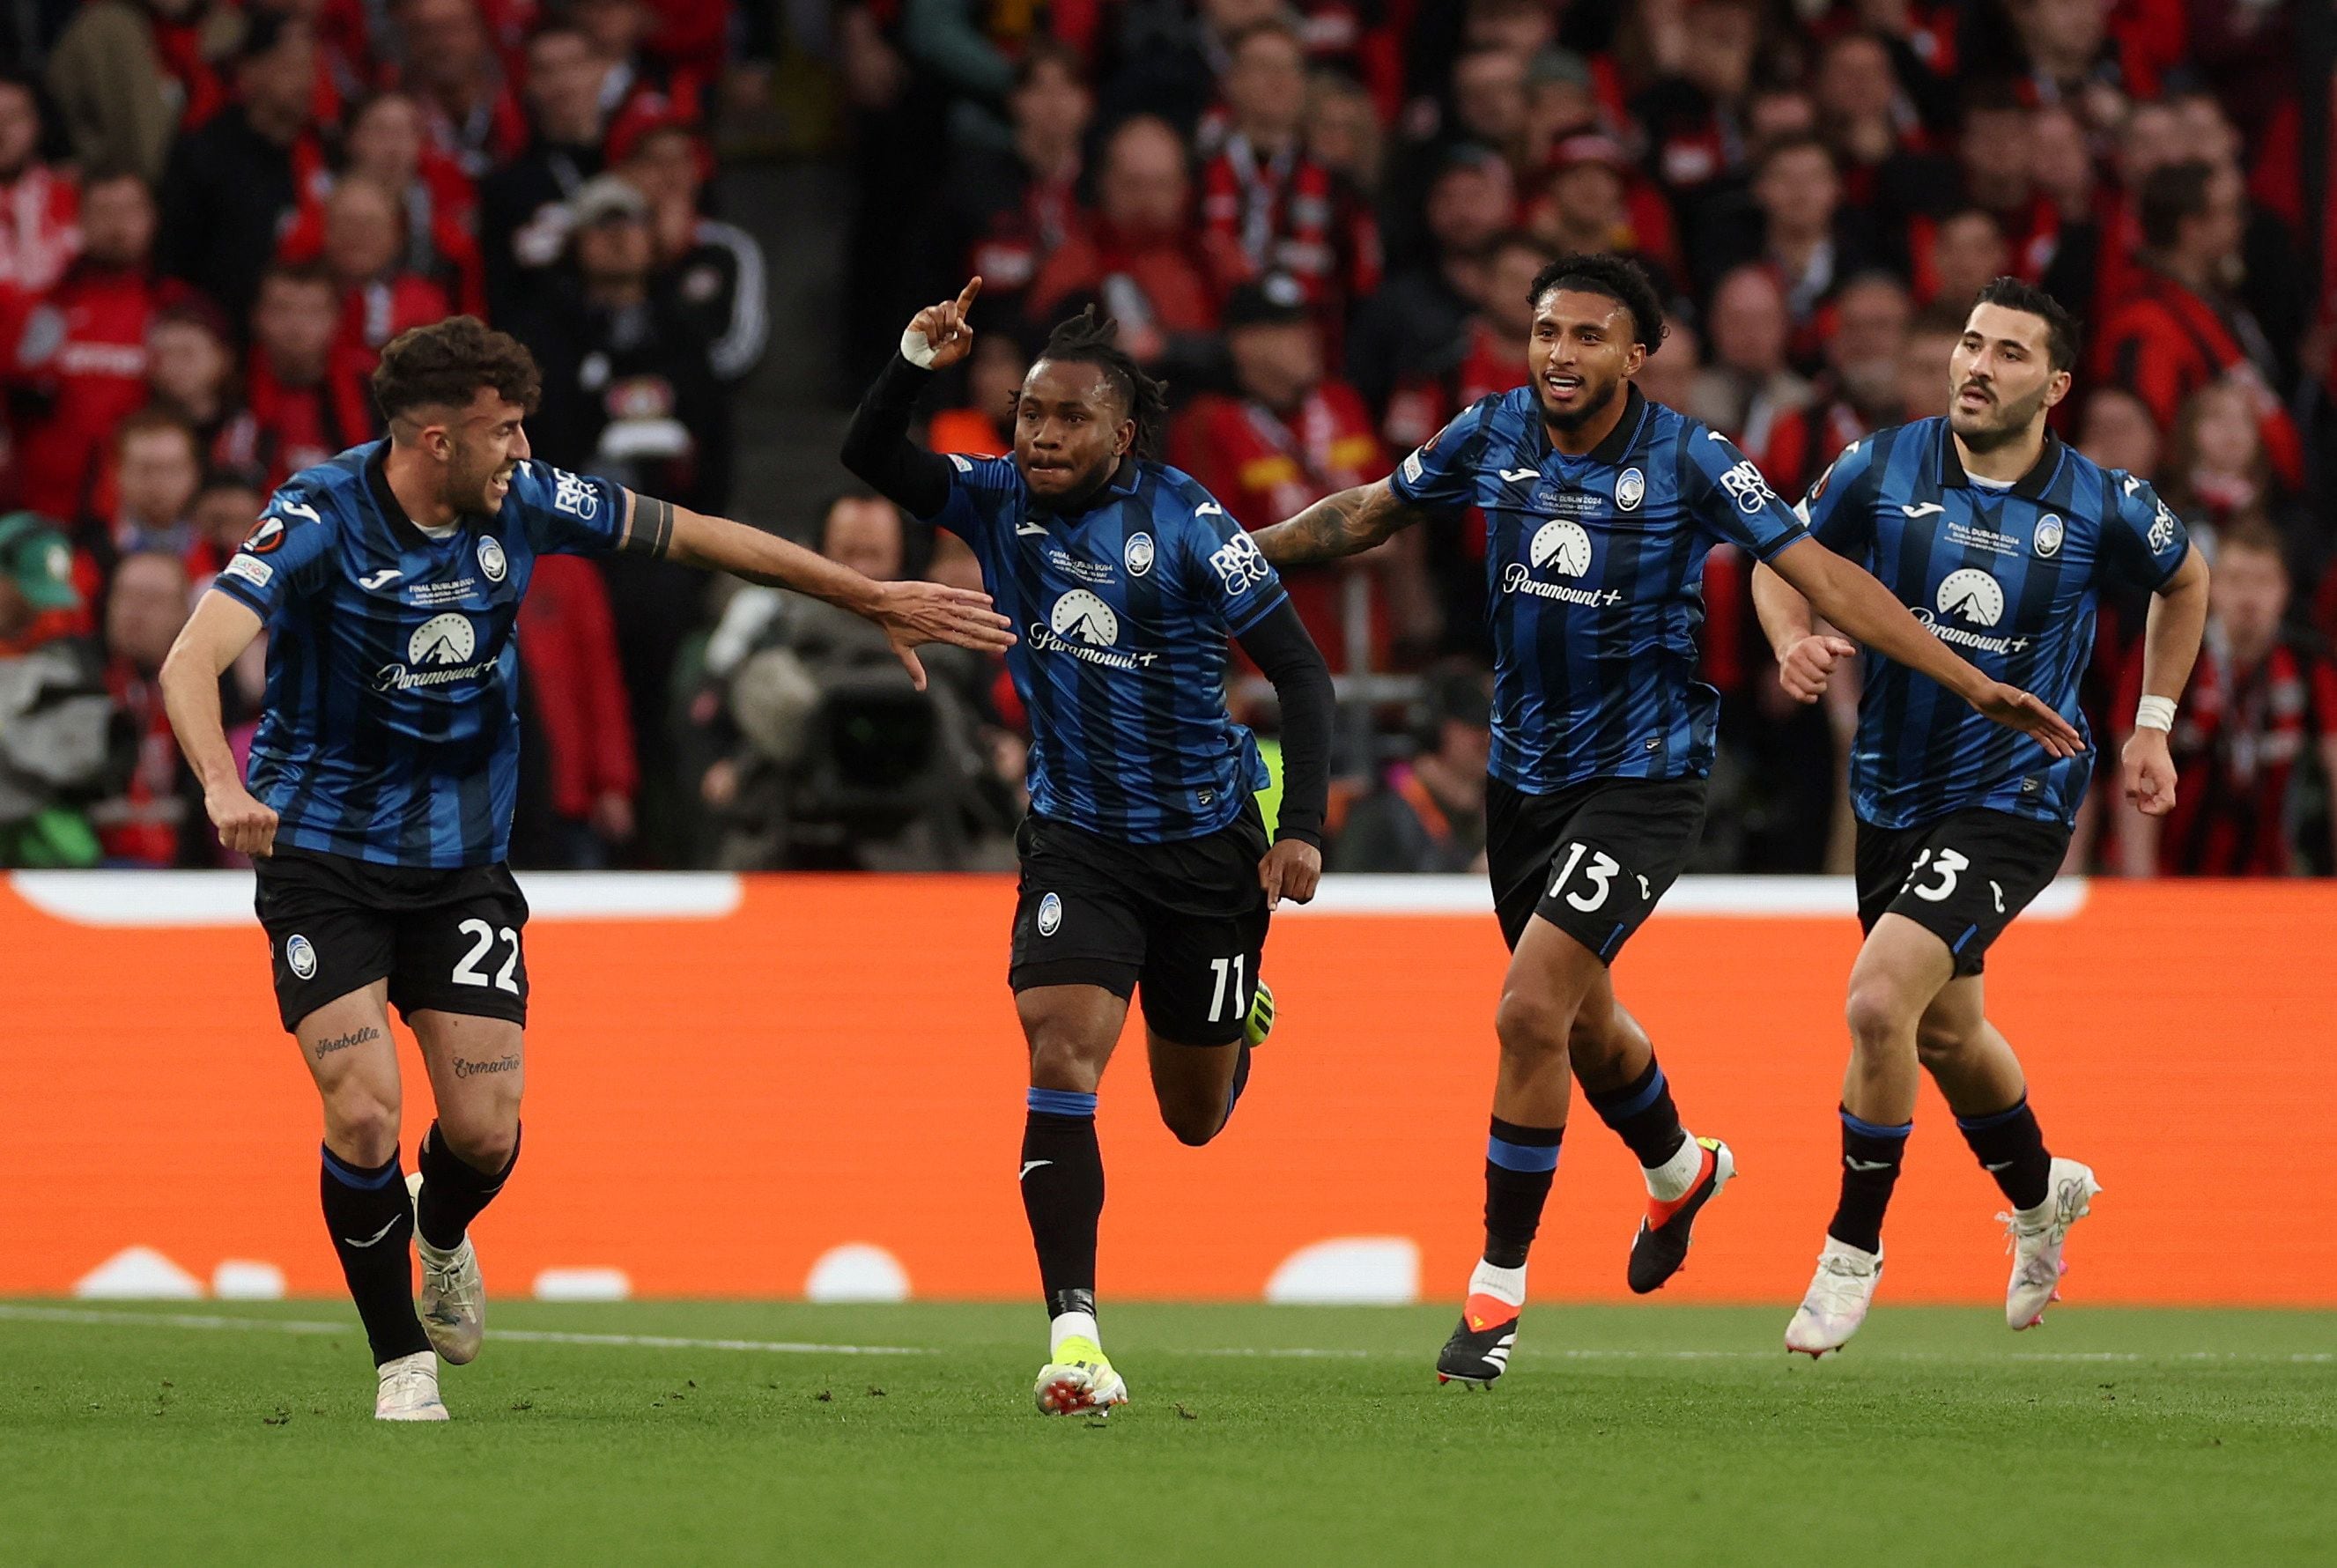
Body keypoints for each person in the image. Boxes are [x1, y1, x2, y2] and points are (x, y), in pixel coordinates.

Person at [157, 315, 1012, 1422]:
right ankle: (398, 1365)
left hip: (462, 861)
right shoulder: (319, 514)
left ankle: (443, 1229)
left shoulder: (527, 498)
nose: (522, 449)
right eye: (501, 430)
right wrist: (222, 788)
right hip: (323, 854)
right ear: (432, 441)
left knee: (484, 1132)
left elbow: (702, 537)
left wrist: (872, 595)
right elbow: (193, 656)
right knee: (363, 1114)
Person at [1247, 253, 2081, 1387]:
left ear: (1635, 356)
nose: (1559, 353)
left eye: (1589, 336)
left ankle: (1494, 1296)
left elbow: (1824, 575)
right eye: (1547, 331)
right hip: (1522, 778)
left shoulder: (1693, 459)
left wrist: (1968, 679)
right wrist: (1229, 563)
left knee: (1526, 1008)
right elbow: (1367, 512)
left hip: (1645, 781)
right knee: (1581, 1025)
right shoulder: (1488, 432)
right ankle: (1680, 1167)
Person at [842, 278, 1335, 1416]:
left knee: (1193, 1118)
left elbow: (1301, 675)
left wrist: (1299, 828)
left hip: (1208, 847)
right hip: (1079, 841)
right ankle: (1075, 1337)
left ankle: (1239, 1007)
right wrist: (916, 359)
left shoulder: (1193, 527)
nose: (1041, 437)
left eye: (1066, 421)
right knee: (1059, 1053)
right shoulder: (997, 501)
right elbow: (871, 452)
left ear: (1122, 432)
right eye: (1027, 415)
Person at [1750, 277, 2208, 1356]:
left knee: (1875, 1006)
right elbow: (1782, 557)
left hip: (2018, 790)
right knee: (1946, 1031)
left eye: (2007, 353)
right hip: (1892, 794)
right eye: (1968, 343)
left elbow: (2183, 582)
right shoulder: (1880, 462)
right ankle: (2044, 1194)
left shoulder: (2102, 501)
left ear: (2051, 384)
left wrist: (2152, 723)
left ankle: (1849, 1251)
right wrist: (1789, 639)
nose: (1976, 366)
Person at [2113, 519, 2337, 876]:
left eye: (2263, 582)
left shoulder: (2309, 665)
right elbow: (2132, 766)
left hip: (2271, 882)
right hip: (2172, 878)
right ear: (2211, 587)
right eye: (2235, 580)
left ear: (2284, 589)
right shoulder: (2165, 653)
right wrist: (2140, 890)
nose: (2249, 598)